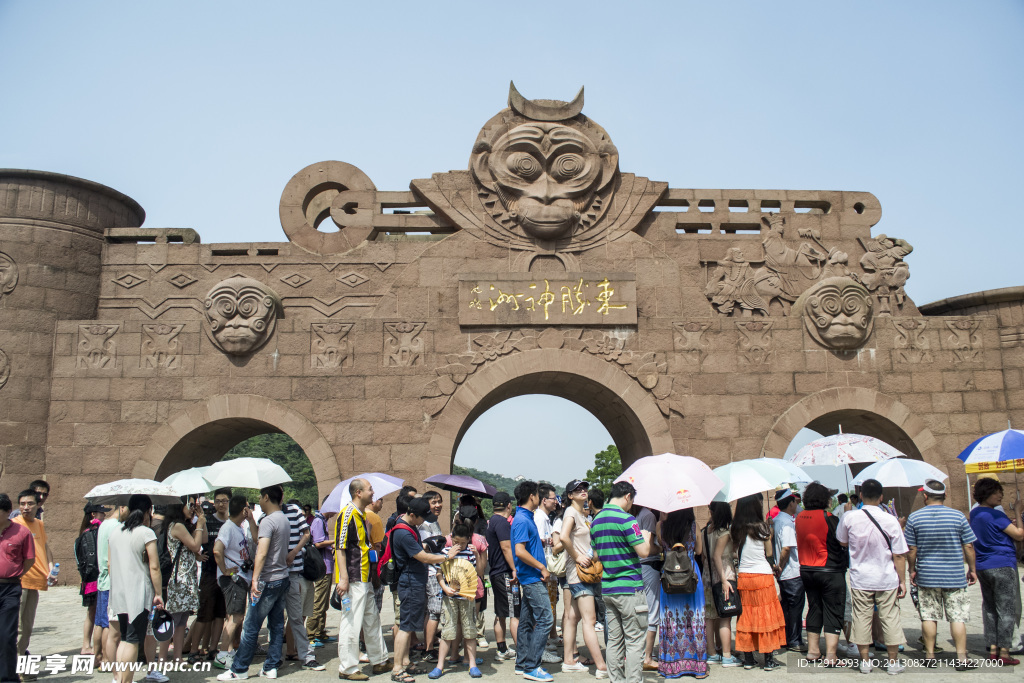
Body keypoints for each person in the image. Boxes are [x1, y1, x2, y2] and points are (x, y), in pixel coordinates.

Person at [217, 485, 292, 681]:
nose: (258, 500)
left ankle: (239, 668)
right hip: (282, 577)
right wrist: (251, 520)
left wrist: (255, 579)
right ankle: (271, 666)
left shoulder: (268, 521)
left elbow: (262, 551)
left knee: (251, 627)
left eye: (260, 496)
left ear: (267, 497)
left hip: (267, 580)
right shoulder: (283, 519)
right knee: (276, 626)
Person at [836, 478, 909, 675]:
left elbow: (842, 542)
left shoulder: (850, 517)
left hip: (861, 578)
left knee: (861, 618)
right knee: (890, 618)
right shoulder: (891, 520)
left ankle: (865, 661)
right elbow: (899, 554)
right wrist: (902, 580)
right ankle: (893, 663)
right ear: (881, 497)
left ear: (860, 495)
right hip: (886, 577)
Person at [904, 479, 977, 669]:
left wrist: (912, 570)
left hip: (927, 576)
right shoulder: (958, 516)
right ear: (945, 495)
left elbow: (912, 549)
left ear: (925, 496)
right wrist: (972, 569)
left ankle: (929, 656)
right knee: (957, 617)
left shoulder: (915, 518)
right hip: (954, 575)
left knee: (928, 616)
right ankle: (962, 659)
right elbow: (968, 545)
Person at [591, 480, 653, 683]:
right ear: (627, 496)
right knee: (635, 641)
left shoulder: (597, 521)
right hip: (630, 589)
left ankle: (616, 680)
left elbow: (596, 555)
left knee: (615, 642)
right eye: (631, 501)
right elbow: (643, 552)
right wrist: (645, 537)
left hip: (608, 589)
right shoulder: (627, 520)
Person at [390, 496, 451, 683]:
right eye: (422, 518)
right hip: (410, 582)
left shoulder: (409, 526)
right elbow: (422, 557)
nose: (424, 521)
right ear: (412, 514)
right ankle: (397, 668)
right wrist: (446, 556)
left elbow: (419, 549)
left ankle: (406, 662)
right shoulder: (403, 532)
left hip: (414, 581)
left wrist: (430, 544)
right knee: (406, 626)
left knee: (409, 626)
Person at [335, 478, 390, 679]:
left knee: (372, 619)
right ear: (358, 492)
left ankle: (379, 660)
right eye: (370, 489)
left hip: (364, 577)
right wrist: (343, 578)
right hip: (354, 577)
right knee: (351, 621)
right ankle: (347, 668)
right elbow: (340, 548)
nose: (373, 493)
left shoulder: (361, 515)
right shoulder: (347, 514)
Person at [108, 495, 164, 683]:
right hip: (138, 593)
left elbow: (109, 564)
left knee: (125, 638)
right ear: (148, 510)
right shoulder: (146, 533)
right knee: (132, 640)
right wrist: (158, 594)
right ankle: (126, 680)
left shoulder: (116, 532)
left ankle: (122, 679)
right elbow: (154, 567)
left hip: (118, 593)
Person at [969, 475, 1024, 665]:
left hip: (984, 566)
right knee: (1006, 609)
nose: (1000, 495)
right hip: (1002, 564)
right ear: (987, 494)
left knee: (990, 608)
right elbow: (1019, 535)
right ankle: (1005, 652)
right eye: (997, 492)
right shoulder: (996, 515)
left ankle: (993, 649)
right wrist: (1017, 512)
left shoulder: (975, 514)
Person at [795, 482, 850, 666]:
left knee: (814, 608)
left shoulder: (800, 517)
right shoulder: (830, 518)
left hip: (807, 570)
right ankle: (831, 655)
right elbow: (842, 542)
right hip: (829, 570)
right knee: (833, 610)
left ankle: (813, 651)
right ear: (825, 499)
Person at [557, 479, 607, 677]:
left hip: (582, 573)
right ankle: (602, 666)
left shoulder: (581, 514)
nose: (583, 491)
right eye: (577, 489)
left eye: (584, 488)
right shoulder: (571, 513)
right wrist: (578, 556)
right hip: (579, 573)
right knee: (590, 619)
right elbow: (563, 537)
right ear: (570, 495)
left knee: (572, 617)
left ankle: (569, 660)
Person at [730, 493, 784, 671]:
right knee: (766, 616)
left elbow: (734, 552)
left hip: (745, 577)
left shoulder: (736, 528)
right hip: (763, 576)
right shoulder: (763, 527)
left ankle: (748, 659)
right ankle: (768, 660)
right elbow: (768, 554)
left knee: (746, 616)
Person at [511, 480, 555, 682]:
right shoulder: (522, 519)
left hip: (531, 576)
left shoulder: (525, 517)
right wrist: (542, 567)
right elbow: (519, 551)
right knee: (546, 619)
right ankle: (532, 666)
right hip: (531, 578)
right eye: (538, 494)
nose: (540, 497)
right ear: (532, 497)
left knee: (527, 622)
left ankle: (522, 664)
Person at [429, 522, 485, 679]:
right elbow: (439, 573)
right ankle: (440, 666)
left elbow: (479, 573)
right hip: (450, 598)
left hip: (467, 598)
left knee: (470, 630)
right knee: (447, 631)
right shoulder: (445, 552)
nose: (459, 545)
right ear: (451, 538)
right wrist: (445, 588)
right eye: (456, 542)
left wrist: (478, 555)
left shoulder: (470, 553)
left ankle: (472, 664)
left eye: (462, 542)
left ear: (468, 539)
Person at [658, 508, 706, 679]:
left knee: (671, 619)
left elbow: (660, 547)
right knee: (693, 619)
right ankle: (697, 667)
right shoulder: (695, 526)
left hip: (670, 575)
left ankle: (672, 667)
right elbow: (699, 551)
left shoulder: (661, 526)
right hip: (691, 574)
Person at [161, 496, 208, 662]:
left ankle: (177, 657)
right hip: (179, 578)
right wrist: (200, 524)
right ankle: (163, 657)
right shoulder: (177, 526)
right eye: (189, 505)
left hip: (187, 577)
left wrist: (200, 521)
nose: (192, 508)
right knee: (173, 619)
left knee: (181, 621)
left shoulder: (184, 525)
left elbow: (203, 539)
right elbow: (195, 546)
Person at [212, 496, 257, 670]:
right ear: (243, 510)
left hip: (239, 578)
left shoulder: (237, 527)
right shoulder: (228, 528)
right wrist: (225, 570)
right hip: (233, 579)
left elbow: (254, 538)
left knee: (233, 616)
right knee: (235, 617)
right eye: (248, 508)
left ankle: (227, 652)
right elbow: (217, 550)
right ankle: (223, 655)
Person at [280, 498, 321, 670]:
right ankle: (285, 652)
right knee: (282, 619)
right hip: (276, 574)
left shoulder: (294, 513)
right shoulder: (265, 517)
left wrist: (294, 552)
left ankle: (303, 654)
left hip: (295, 573)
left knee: (297, 617)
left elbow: (306, 535)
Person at [13, 489, 53, 659]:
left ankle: (19, 661)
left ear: (38, 505)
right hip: (19, 581)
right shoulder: (14, 524)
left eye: (30, 504)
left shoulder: (39, 524)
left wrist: (51, 568)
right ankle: (12, 667)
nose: (26, 507)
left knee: (27, 628)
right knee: (18, 627)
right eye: (22, 504)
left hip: (36, 582)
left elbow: (44, 548)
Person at [192, 489, 231, 661]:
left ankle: (214, 649)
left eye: (224, 500)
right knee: (204, 612)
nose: (221, 503)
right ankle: (194, 650)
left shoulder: (232, 522)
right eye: (218, 500)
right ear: (214, 503)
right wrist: (196, 554)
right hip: (209, 572)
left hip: (226, 573)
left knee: (220, 614)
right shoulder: (207, 520)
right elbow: (196, 542)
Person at [0, 493, 34, 683]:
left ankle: (8, 678)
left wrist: (16, 575)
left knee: (6, 635)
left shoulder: (21, 532)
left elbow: (29, 559)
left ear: (6, 512)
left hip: (10, 589)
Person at [703, 501, 740, 667]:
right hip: (724, 574)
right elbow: (717, 556)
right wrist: (724, 580)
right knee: (726, 616)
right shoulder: (724, 533)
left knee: (709, 617)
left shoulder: (705, 532)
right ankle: (726, 654)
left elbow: (704, 555)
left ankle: (711, 653)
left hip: (707, 576)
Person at [486, 492, 520, 662]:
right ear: (508, 505)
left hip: (495, 571)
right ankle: (521, 649)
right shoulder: (502, 523)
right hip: (505, 572)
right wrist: (514, 569)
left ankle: (501, 649)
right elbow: (506, 547)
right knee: (515, 613)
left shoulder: (491, 521)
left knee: (501, 613)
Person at [771, 489, 804, 652]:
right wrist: (781, 566)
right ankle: (794, 640)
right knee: (795, 609)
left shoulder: (777, 520)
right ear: (790, 503)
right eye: (795, 502)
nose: (796, 505)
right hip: (791, 571)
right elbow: (787, 548)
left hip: (782, 573)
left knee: (785, 609)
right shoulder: (787, 523)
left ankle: (784, 638)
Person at [634, 506, 662, 672]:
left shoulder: (628, 515)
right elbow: (647, 548)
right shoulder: (648, 515)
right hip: (648, 566)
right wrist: (661, 547)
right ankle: (647, 657)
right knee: (652, 610)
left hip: (632, 568)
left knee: (635, 610)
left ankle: (635, 653)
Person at [95, 503, 123, 665]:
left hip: (103, 579)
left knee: (100, 622)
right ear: (123, 508)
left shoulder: (104, 524)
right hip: (111, 580)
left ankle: (98, 656)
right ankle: (106, 659)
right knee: (108, 624)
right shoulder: (116, 526)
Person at [75, 504, 104, 659]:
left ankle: (87, 644)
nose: (104, 516)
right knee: (94, 612)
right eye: (102, 513)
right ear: (93, 514)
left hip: (89, 579)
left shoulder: (85, 533)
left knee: (92, 612)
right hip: (94, 578)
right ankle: (87, 645)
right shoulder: (91, 533)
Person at [307, 496, 336, 648]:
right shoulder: (318, 521)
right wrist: (334, 541)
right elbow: (318, 543)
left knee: (323, 603)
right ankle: (311, 634)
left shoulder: (321, 520)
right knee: (318, 602)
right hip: (322, 566)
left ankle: (320, 632)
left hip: (327, 565)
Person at [533, 484, 560, 650]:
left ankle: (548, 640)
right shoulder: (540, 518)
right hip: (545, 571)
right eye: (553, 498)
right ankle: (541, 646)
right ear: (544, 500)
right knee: (545, 610)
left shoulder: (545, 518)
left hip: (548, 570)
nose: (556, 502)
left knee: (550, 606)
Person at [419, 490, 445, 658]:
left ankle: (431, 641)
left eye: (439, 501)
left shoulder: (434, 523)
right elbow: (425, 549)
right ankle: (429, 650)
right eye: (434, 502)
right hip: (430, 572)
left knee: (431, 611)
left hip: (436, 570)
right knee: (434, 611)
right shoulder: (422, 525)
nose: (438, 505)